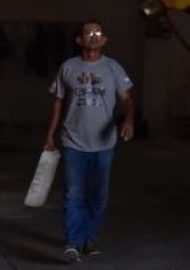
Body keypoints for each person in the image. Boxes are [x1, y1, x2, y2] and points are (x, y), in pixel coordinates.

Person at [44, 20, 135, 263]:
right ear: (79, 40)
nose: (94, 36)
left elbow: (127, 100)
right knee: (74, 195)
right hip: (73, 141)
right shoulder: (68, 67)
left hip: (104, 145)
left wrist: (129, 119)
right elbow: (58, 103)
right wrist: (50, 134)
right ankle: (73, 243)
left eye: (98, 32)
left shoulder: (113, 68)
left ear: (104, 40)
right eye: (88, 33)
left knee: (98, 196)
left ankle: (89, 238)